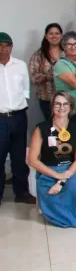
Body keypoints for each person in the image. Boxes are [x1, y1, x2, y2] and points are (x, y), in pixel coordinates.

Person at [27, 91, 76, 226]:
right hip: (48, 171)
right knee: (57, 203)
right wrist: (56, 175)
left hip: (70, 170)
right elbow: (32, 160)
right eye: (58, 104)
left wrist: (61, 180)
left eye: (65, 104)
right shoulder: (41, 128)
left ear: (71, 107)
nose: (62, 107)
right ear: (52, 106)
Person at [0, 32, 35, 205]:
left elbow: (26, 89)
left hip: (19, 116)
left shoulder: (20, 65)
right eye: (0, 45)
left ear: (11, 47)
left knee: (19, 157)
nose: (3, 48)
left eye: (6, 45)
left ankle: (21, 193)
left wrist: (19, 105)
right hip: (0, 119)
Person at [28, 23, 63, 120]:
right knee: (51, 128)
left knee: (67, 129)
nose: (54, 36)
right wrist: (48, 76)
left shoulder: (67, 52)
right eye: (51, 33)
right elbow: (33, 77)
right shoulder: (39, 54)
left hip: (66, 98)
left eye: (57, 33)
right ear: (46, 36)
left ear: (61, 36)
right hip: (47, 99)